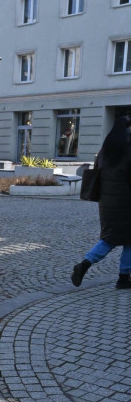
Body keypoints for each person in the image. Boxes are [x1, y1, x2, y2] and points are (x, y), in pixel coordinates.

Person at [71, 114, 131, 289]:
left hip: (107, 203)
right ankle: (122, 277)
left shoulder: (106, 150)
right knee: (128, 240)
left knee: (110, 238)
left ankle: (86, 265)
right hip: (127, 202)